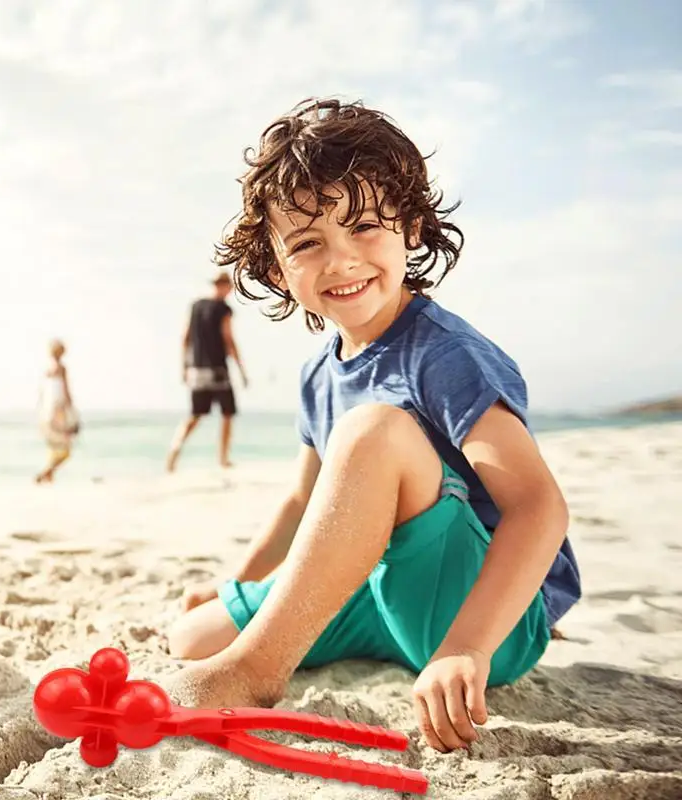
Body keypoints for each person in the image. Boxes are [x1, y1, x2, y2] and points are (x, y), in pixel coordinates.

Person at [163, 98, 580, 753]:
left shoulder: (445, 355)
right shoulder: (317, 375)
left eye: (363, 227)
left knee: (373, 433)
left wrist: (466, 647)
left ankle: (254, 673)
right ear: (277, 268)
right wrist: (238, 583)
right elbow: (305, 503)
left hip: (481, 618)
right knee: (191, 635)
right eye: (307, 243)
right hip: (383, 595)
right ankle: (256, 648)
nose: (341, 260)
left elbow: (538, 507)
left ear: (410, 227)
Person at [166, 271, 248, 472]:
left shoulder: (196, 306)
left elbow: (185, 338)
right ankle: (223, 458)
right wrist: (241, 369)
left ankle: (175, 448)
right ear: (226, 286)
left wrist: (184, 367)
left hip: (196, 370)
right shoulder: (224, 309)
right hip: (218, 369)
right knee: (228, 413)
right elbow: (228, 339)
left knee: (195, 414)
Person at [35, 339, 80, 484]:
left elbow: (42, 393)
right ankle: (47, 472)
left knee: (55, 446)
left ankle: (49, 474)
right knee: (66, 448)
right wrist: (71, 408)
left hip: (47, 411)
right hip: (59, 408)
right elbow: (66, 390)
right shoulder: (61, 368)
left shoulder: (47, 370)